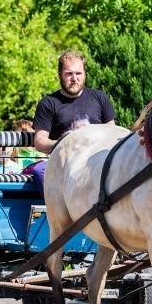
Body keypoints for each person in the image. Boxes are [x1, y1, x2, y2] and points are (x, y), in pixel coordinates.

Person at [31, 51, 116, 196]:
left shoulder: (100, 98)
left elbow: (112, 133)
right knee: (39, 170)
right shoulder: (48, 103)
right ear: (59, 74)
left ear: (85, 74)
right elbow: (39, 141)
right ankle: (54, 214)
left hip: (96, 161)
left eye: (79, 73)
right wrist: (65, 143)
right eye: (69, 74)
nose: (74, 78)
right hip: (63, 163)